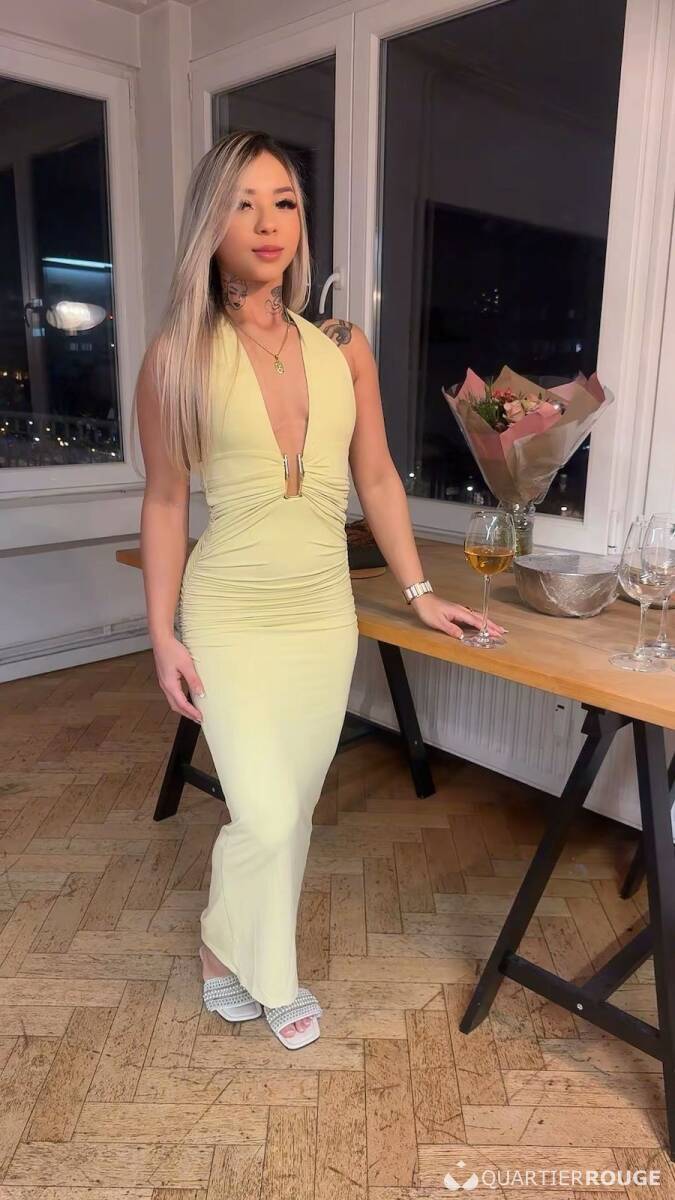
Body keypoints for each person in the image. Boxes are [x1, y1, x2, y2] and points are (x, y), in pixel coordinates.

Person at [134, 130, 504, 1050]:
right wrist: (162, 634)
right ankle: (269, 970)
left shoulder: (343, 345)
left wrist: (417, 591)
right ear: (210, 222)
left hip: (320, 615)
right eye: (244, 203)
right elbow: (166, 501)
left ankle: (222, 949)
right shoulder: (177, 355)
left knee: (289, 808)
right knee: (261, 812)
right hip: (229, 611)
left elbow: (374, 475)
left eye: (285, 203)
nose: (268, 223)